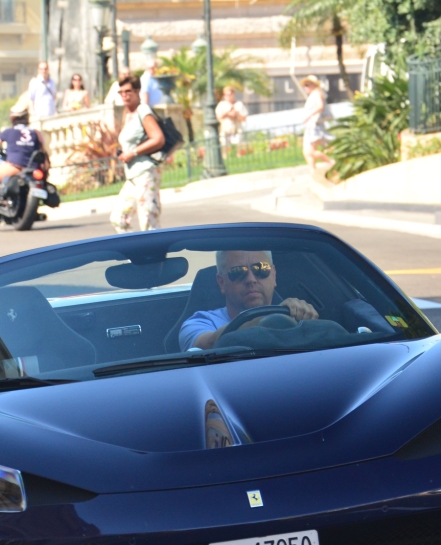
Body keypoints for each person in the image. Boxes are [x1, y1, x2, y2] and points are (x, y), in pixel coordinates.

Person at [178, 250, 319, 351]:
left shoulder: (296, 315)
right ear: (221, 283)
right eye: (238, 272)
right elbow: (209, 344)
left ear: (274, 275)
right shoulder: (199, 323)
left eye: (261, 269)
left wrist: (306, 319)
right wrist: (274, 318)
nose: (251, 279)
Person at [0, 108, 47, 230]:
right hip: (33, 168)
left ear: (13, 119)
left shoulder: (10, 132)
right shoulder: (35, 132)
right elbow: (42, 144)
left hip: (15, 166)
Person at [111, 75, 165, 234]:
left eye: (128, 91)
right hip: (132, 176)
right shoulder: (128, 115)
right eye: (121, 92)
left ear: (137, 91)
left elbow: (158, 138)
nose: (125, 95)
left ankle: (156, 257)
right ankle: (135, 254)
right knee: (119, 218)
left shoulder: (143, 110)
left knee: (148, 222)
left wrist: (133, 153)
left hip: (146, 172)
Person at [299, 76, 333, 169]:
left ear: (313, 85)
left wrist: (309, 115)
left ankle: (331, 162)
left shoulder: (316, 93)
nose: (305, 87)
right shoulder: (314, 94)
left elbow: (320, 106)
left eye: (307, 85)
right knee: (307, 152)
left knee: (309, 151)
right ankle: (313, 171)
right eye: (304, 85)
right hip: (312, 126)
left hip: (315, 126)